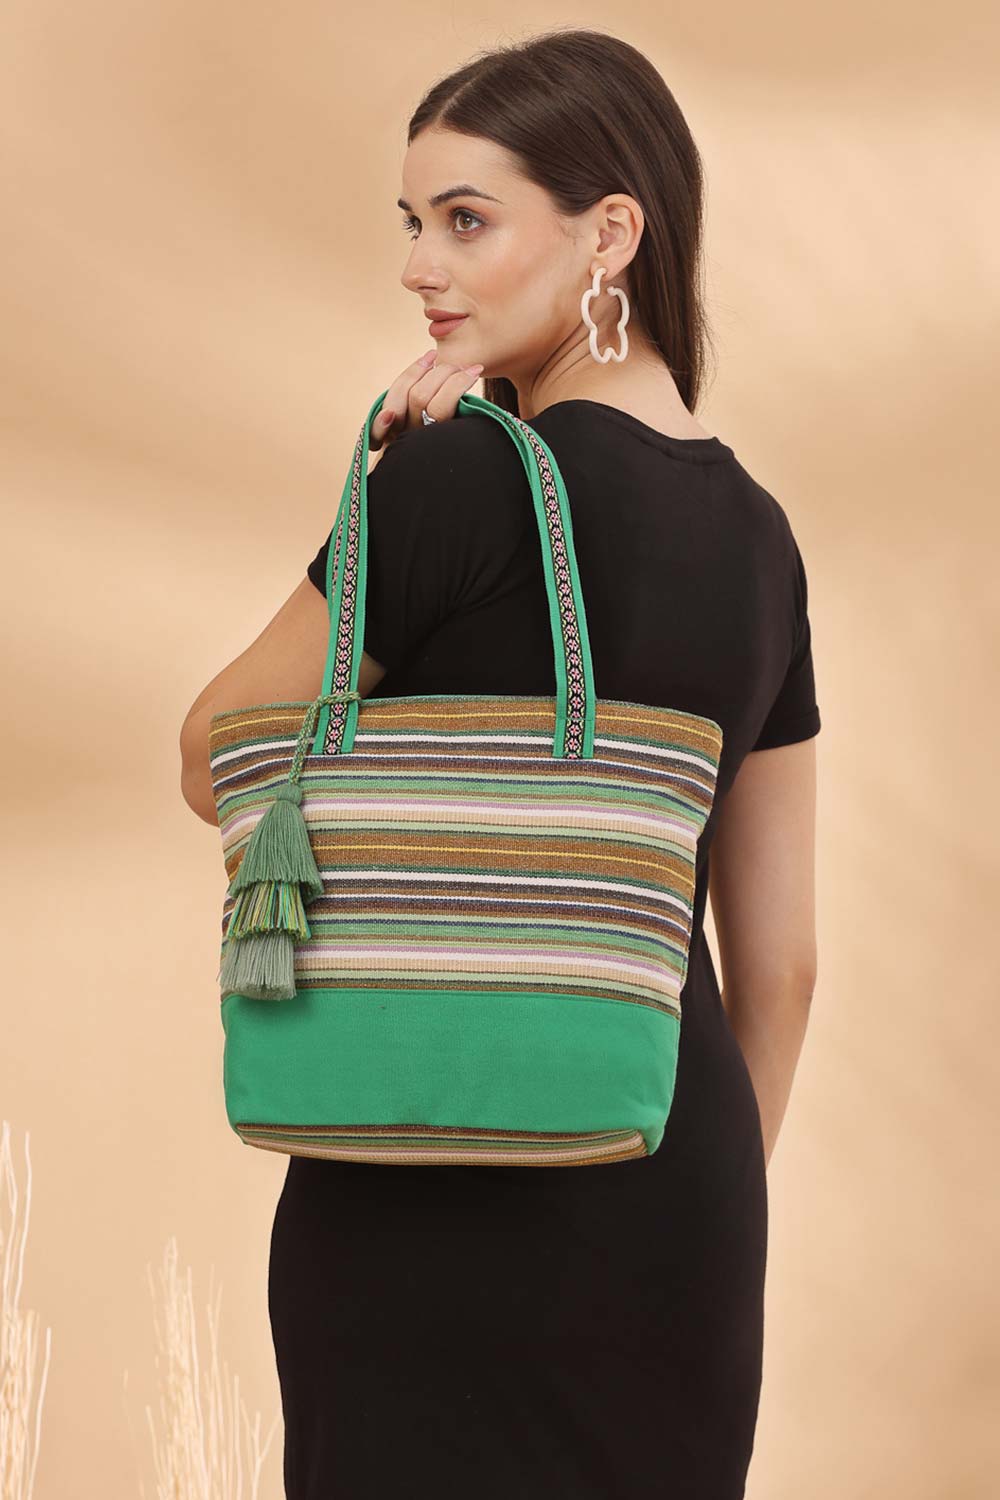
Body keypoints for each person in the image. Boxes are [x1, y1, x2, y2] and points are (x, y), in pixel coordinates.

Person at [180, 27, 821, 1499]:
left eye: (466, 220)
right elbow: (782, 967)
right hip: (677, 1197)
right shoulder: (761, 539)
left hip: (427, 1184)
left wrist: (388, 498)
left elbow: (218, 761)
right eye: (413, 222)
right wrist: (694, 1195)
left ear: (611, 234)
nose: (422, 266)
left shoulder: (455, 478)